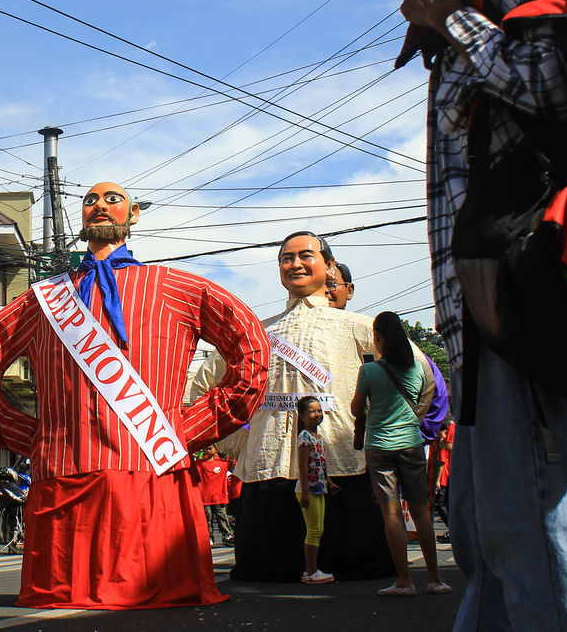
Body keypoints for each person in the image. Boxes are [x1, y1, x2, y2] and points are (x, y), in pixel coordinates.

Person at [376, 0, 567, 628]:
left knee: (542, 531)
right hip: (477, 317)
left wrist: (457, 24)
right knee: (486, 539)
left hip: (524, 301)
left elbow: (555, 88)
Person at [0, 180, 269, 610]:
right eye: (90, 200)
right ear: (80, 217)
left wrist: (190, 426)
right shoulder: (41, 301)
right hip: (65, 472)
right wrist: (35, 435)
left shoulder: (178, 288)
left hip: (151, 465)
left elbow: (250, 348)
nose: (99, 206)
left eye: (112, 199)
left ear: (134, 214)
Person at [190, 231, 436, 582]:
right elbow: (199, 387)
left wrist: (393, 429)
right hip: (269, 468)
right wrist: (232, 443)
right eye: (286, 258)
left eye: (306, 255)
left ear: (329, 265)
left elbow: (419, 373)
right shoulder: (257, 333)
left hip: (345, 463)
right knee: (268, 571)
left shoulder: (357, 326)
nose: (295, 264)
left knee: (359, 569)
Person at [350, 311, 449, 597]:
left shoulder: (369, 370)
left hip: (379, 447)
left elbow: (356, 409)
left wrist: (370, 404)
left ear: (379, 338)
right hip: (411, 444)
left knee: (391, 514)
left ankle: (404, 580)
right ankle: (435, 579)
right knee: (421, 510)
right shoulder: (418, 369)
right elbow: (419, 401)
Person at [295, 395, 337, 585]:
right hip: (308, 489)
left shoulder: (318, 438)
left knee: (318, 529)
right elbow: (303, 467)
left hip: (318, 488)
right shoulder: (304, 437)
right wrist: (304, 491)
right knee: (313, 530)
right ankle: (310, 571)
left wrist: (328, 481)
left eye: (319, 410)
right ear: (301, 416)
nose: (317, 414)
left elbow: (319, 464)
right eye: (311, 411)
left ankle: (313, 569)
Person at [196, 444, 234, 546]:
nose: (207, 451)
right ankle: (209, 537)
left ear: (216, 450)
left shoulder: (222, 463)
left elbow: (232, 466)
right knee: (208, 518)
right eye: (205, 448)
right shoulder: (199, 464)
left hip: (219, 496)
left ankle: (226, 536)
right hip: (205, 497)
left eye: (210, 449)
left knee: (221, 516)